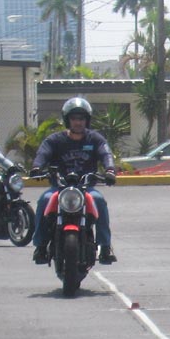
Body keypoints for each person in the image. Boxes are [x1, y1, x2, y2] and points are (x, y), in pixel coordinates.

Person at [31, 97, 118, 265]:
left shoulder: (95, 139)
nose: (78, 122)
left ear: (87, 120)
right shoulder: (55, 140)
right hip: (59, 188)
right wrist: (37, 167)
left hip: (85, 188)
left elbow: (106, 153)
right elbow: (43, 153)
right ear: (67, 120)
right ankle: (40, 246)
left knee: (99, 200)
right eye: (74, 118)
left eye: (81, 118)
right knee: (44, 200)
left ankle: (105, 247)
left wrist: (110, 170)